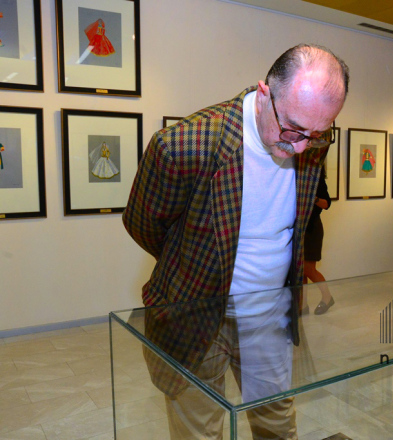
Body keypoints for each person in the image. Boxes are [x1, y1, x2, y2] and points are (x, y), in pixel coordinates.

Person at [123, 43, 349, 439]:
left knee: (278, 426)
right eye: (293, 129)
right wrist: (202, 266)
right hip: (196, 315)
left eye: (316, 134)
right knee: (199, 431)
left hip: (269, 315)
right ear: (264, 94)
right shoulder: (183, 146)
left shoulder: (311, 138)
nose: (300, 146)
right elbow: (146, 226)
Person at [301, 166, 334, 315]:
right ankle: (303, 305)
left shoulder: (317, 177)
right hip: (298, 228)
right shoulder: (295, 176)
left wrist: (312, 198)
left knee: (308, 268)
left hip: (312, 228)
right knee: (300, 271)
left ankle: (327, 297)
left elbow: (326, 203)